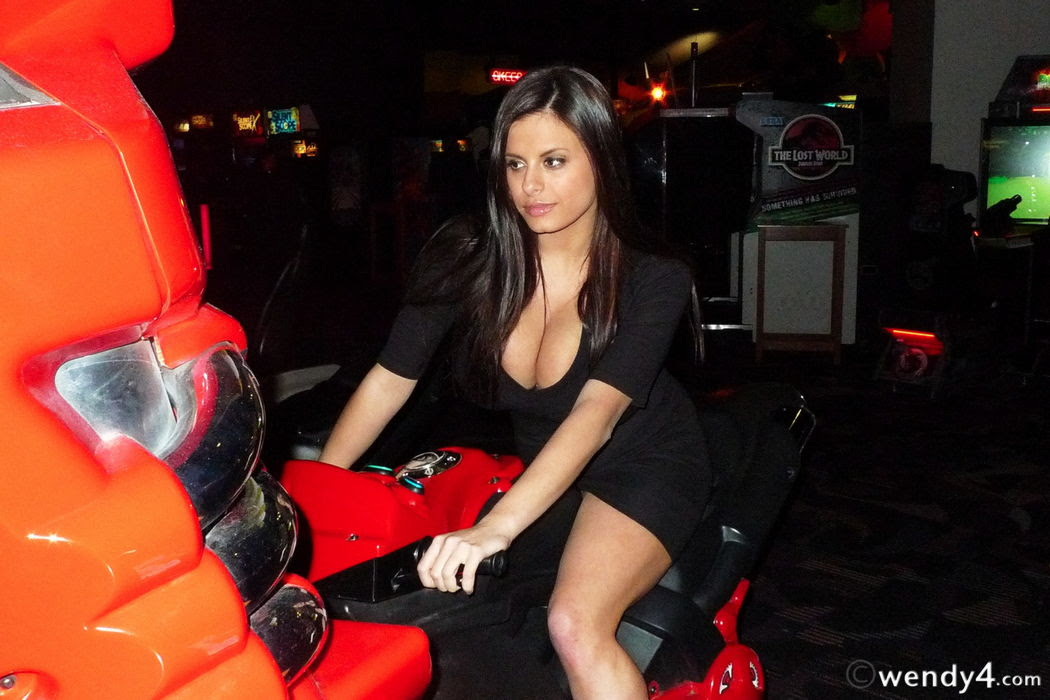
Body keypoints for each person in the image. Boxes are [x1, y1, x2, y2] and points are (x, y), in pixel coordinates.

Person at [319, 65, 711, 699]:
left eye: (554, 161)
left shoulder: (652, 277)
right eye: (515, 164)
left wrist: (497, 526)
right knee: (456, 607)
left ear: (601, 160)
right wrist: (320, 493)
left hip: (645, 464)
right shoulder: (471, 256)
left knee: (574, 626)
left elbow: (596, 414)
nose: (530, 186)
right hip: (546, 469)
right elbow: (389, 380)